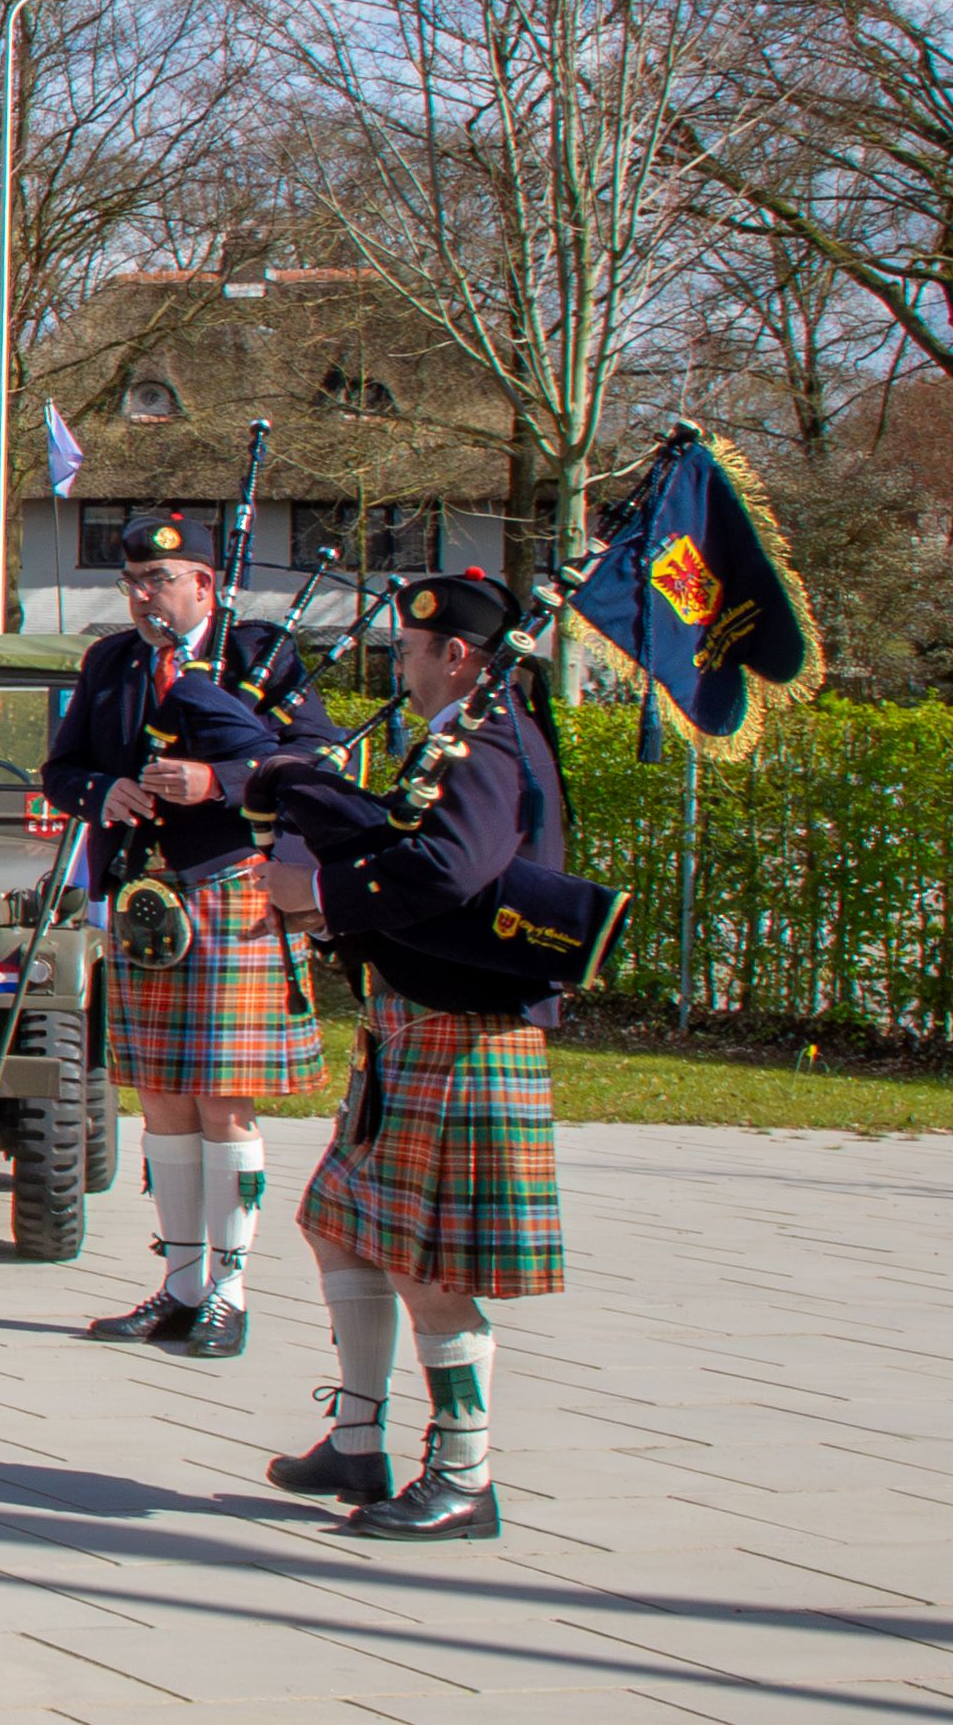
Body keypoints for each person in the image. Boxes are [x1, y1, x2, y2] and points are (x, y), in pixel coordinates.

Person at [250, 569, 572, 1542]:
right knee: (337, 1222)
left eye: (412, 650)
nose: (404, 664)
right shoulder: (458, 738)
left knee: (434, 1268)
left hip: (467, 1028)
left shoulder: (487, 741)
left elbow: (446, 869)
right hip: (418, 1021)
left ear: (458, 656)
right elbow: (414, 845)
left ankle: (465, 1475)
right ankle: (357, 1438)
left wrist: (327, 899)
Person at [41, 514, 334, 1358]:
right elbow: (62, 772)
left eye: (158, 581)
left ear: (202, 584)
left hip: (232, 891)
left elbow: (317, 758)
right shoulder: (109, 662)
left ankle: (230, 1292)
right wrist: (104, 793)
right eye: (131, 581)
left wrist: (220, 780)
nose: (140, 596)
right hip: (144, 898)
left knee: (221, 1101)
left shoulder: (259, 656)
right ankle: (179, 1284)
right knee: (162, 1099)